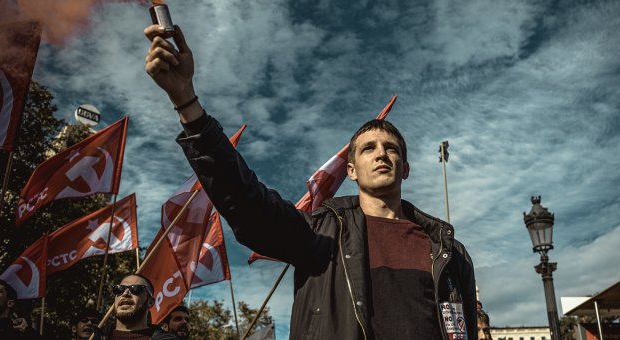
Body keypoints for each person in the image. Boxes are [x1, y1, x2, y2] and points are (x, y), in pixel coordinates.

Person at [144, 22, 477, 340]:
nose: (381, 154)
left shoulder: (447, 250)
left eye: (392, 149)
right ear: (351, 170)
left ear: (404, 168)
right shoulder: (320, 234)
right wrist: (186, 100)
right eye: (368, 149)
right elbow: (247, 201)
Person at [93, 274, 177, 340]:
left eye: (136, 289)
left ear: (150, 302)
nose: (125, 294)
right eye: (119, 289)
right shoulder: (92, 336)